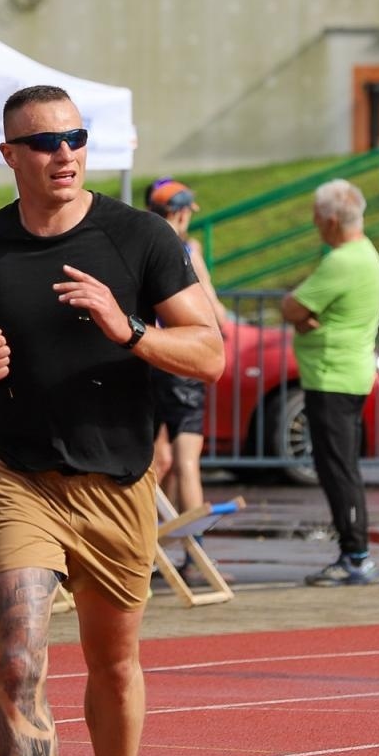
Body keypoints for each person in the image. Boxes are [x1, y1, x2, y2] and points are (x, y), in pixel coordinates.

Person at [0, 85, 224, 756]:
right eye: (44, 142)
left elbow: (210, 352)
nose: (64, 154)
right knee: (19, 660)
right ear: (10, 155)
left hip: (117, 481)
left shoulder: (140, 237)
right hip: (21, 478)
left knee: (114, 665)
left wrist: (130, 330)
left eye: (76, 138)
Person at [280, 179, 379, 587]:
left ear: (330, 221)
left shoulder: (342, 261)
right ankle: (354, 552)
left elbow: (292, 306)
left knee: (338, 470)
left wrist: (301, 316)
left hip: (333, 376)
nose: (313, 222)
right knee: (340, 467)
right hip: (344, 373)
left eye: (315, 216)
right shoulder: (364, 253)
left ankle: (356, 555)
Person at [144, 178, 230, 581]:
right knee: (186, 462)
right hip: (181, 360)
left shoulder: (142, 242)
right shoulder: (186, 249)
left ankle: (147, 546)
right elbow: (212, 307)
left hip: (151, 356)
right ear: (179, 213)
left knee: (156, 461)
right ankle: (195, 554)